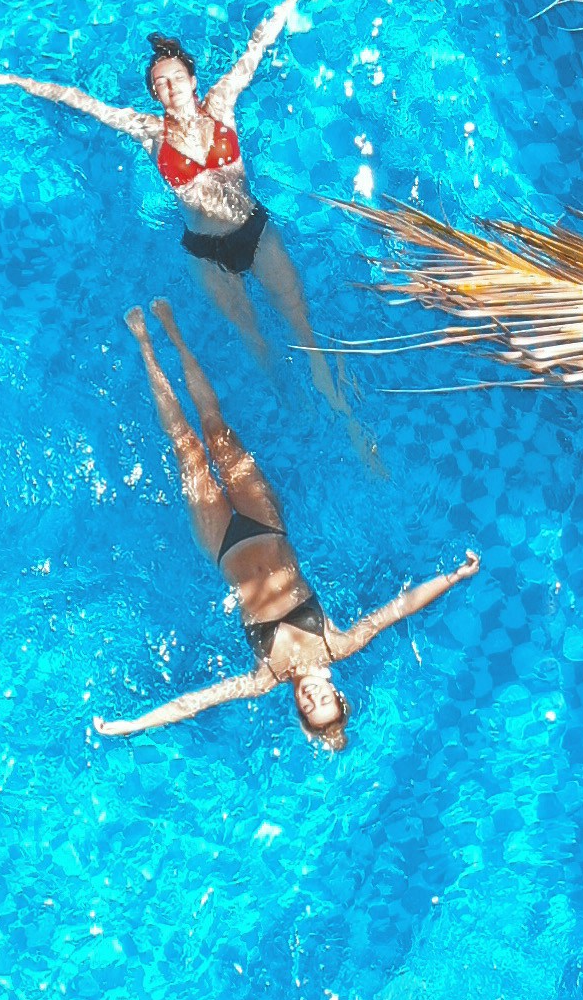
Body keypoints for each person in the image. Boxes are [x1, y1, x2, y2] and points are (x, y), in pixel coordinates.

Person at [0, 0, 368, 436]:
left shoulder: (222, 103)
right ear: (154, 93)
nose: (169, 87)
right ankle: (293, 408)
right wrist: (12, 81)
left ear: (191, 77)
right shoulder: (149, 132)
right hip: (205, 253)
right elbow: (82, 102)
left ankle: (344, 417)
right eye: (159, 84)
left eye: (175, 77)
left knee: (300, 324)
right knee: (253, 340)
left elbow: (259, 43)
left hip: (253, 231)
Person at [96, 308, 477, 753]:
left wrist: (133, 724)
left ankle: (145, 342)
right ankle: (174, 333)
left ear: (299, 710)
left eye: (309, 708)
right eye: (324, 701)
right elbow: (399, 608)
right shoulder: (338, 643)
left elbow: (195, 703)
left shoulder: (265, 677)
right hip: (266, 524)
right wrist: (454, 577)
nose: (312, 698)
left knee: (185, 445)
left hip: (222, 545)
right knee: (215, 430)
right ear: (335, 690)